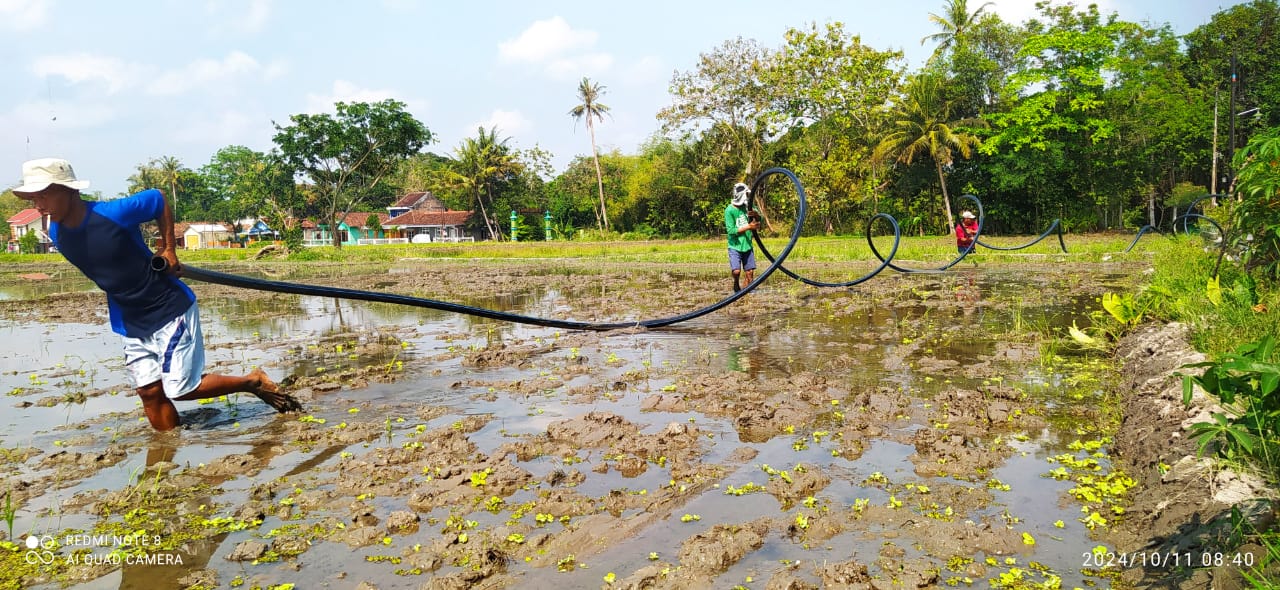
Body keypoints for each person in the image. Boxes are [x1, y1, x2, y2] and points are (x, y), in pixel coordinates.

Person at [12, 158, 301, 431]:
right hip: (129, 318)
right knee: (148, 391)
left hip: (168, 307)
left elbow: (158, 197)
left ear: (68, 191)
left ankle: (252, 382)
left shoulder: (112, 214)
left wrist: (168, 247)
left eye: (43, 196)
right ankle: (168, 452)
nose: (38, 206)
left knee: (180, 388)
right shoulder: (56, 232)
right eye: (33, 199)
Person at [725, 182, 760, 293]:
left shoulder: (748, 207)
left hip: (747, 245)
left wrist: (755, 215)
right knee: (736, 271)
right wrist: (749, 226)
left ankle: (748, 293)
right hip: (735, 246)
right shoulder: (729, 210)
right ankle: (736, 285)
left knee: (749, 272)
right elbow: (731, 231)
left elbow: (759, 220)